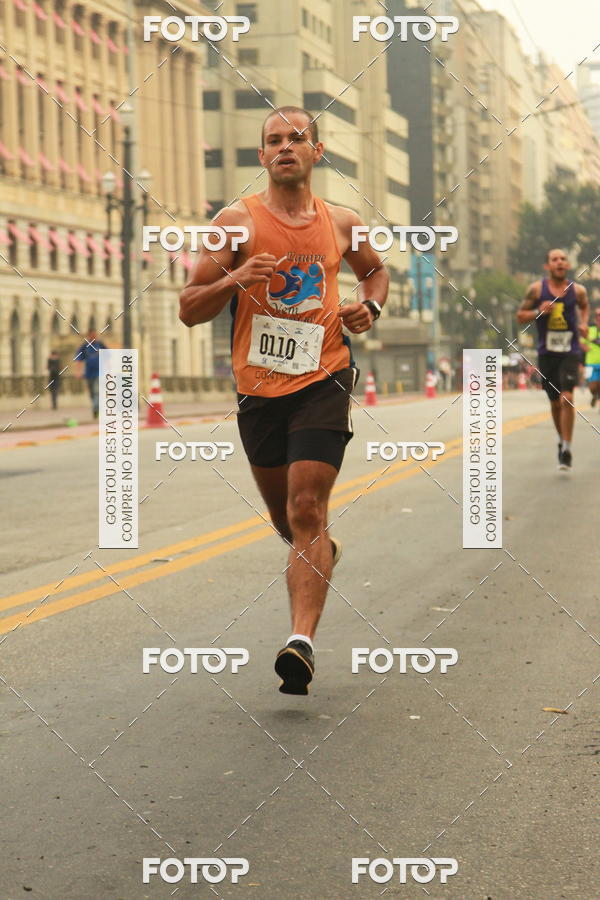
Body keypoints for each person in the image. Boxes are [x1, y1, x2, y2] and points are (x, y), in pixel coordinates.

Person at [180, 106, 389, 695]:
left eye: (297, 138)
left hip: (324, 375)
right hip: (259, 389)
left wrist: (367, 308)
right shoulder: (233, 223)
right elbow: (189, 307)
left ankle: (301, 642)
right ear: (261, 157)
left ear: (317, 151)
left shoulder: (344, 221)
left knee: (305, 509)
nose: (285, 147)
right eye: (274, 140)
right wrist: (234, 279)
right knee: (286, 519)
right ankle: (319, 547)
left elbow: (376, 274)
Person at [517, 249, 589, 470]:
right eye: (554, 259)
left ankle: (566, 448)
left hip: (570, 350)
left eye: (563, 259)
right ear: (548, 266)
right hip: (547, 354)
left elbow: (584, 307)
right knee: (555, 403)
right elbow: (520, 316)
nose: (559, 262)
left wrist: (584, 323)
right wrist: (538, 311)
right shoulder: (537, 289)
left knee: (567, 397)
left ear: (567, 265)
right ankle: (561, 439)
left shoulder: (577, 291)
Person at [74, 329, 107, 419]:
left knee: (97, 391)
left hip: (99, 372)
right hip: (89, 373)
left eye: (95, 335)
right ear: (89, 336)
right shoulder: (85, 346)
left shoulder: (100, 345)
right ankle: (96, 407)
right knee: (92, 393)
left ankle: (96, 409)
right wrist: (78, 372)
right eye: (92, 336)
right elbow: (79, 359)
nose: (94, 337)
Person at [580, 307, 600, 409]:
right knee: (592, 387)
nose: (598, 317)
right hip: (591, 363)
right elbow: (580, 341)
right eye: (597, 315)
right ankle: (595, 395)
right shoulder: (589, 330)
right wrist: (584, 347)